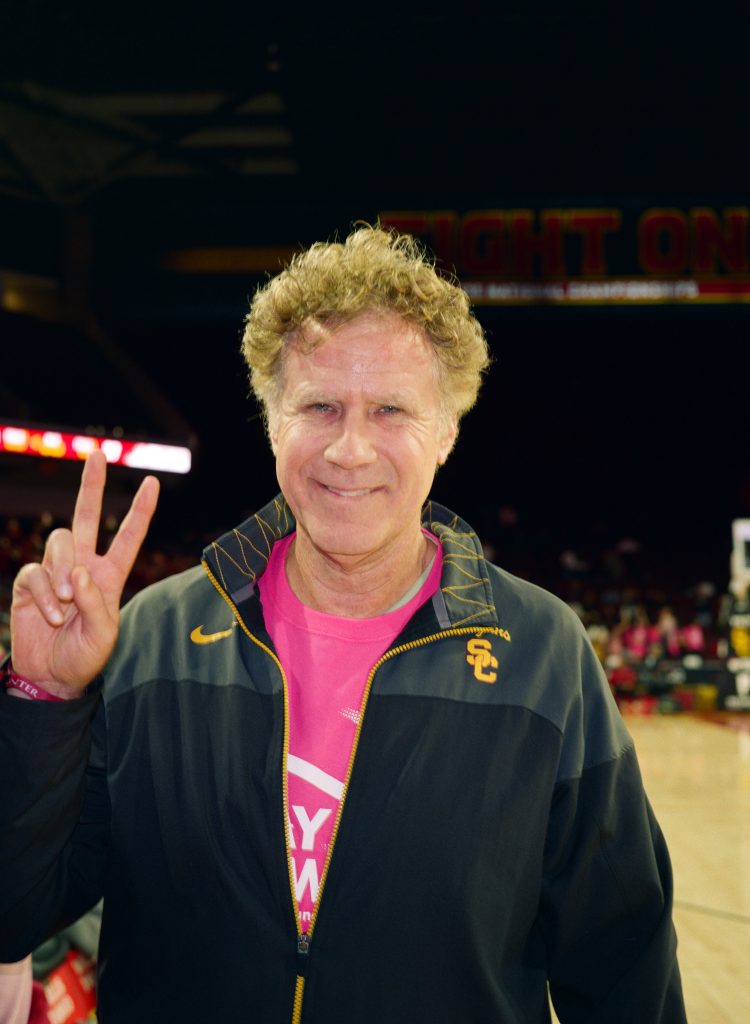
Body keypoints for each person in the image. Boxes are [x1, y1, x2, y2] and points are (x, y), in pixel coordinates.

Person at [0, 226, 686, 1022]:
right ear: (272, 420)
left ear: (447, 430)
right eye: (320, 406)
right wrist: (42, 699)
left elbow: (625, 967)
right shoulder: (150, 641)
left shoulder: (543, 657)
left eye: (390, 409)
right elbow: (17, 910)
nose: (350, 449)